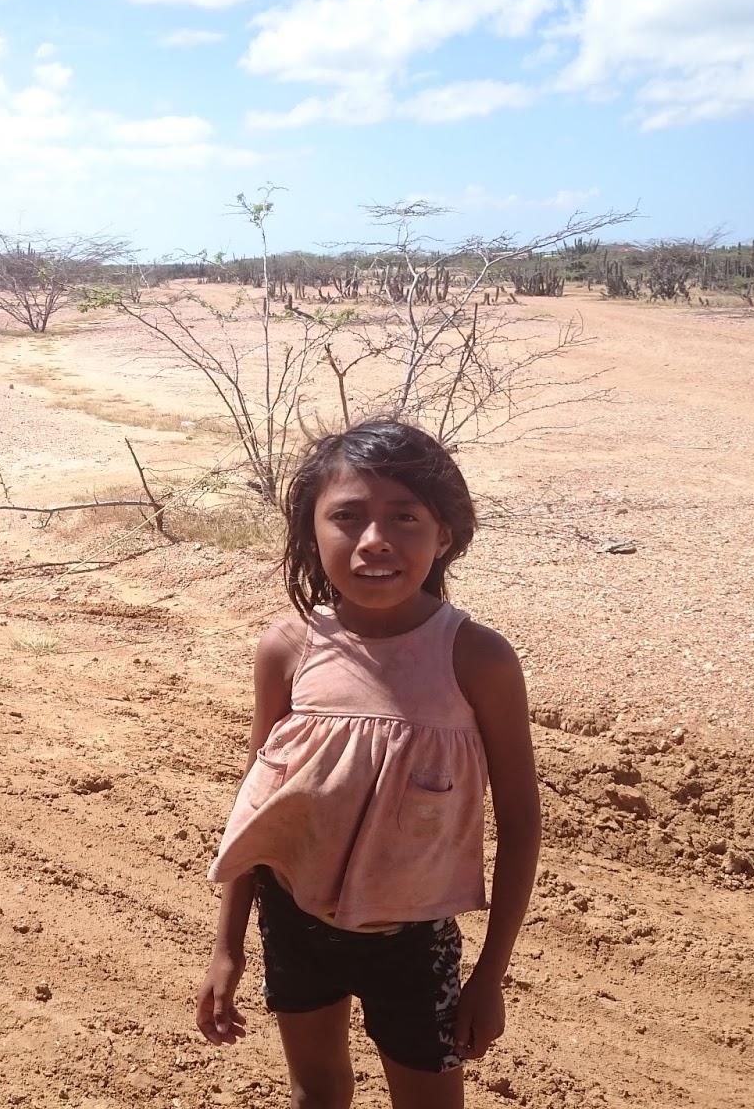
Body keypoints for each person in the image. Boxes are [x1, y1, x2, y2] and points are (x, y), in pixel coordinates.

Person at [195, 419, 541, 1109]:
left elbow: (522, 820)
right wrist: (227, 946)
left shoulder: (477, 659)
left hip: (414, 943)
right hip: (294, 926)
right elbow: (257, 809)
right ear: (311, 531)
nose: (375, 540)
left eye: (405, 517)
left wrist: (490, 975)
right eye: (348, 517)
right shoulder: (287, 649)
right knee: (315, 1094)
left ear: (443, 534)